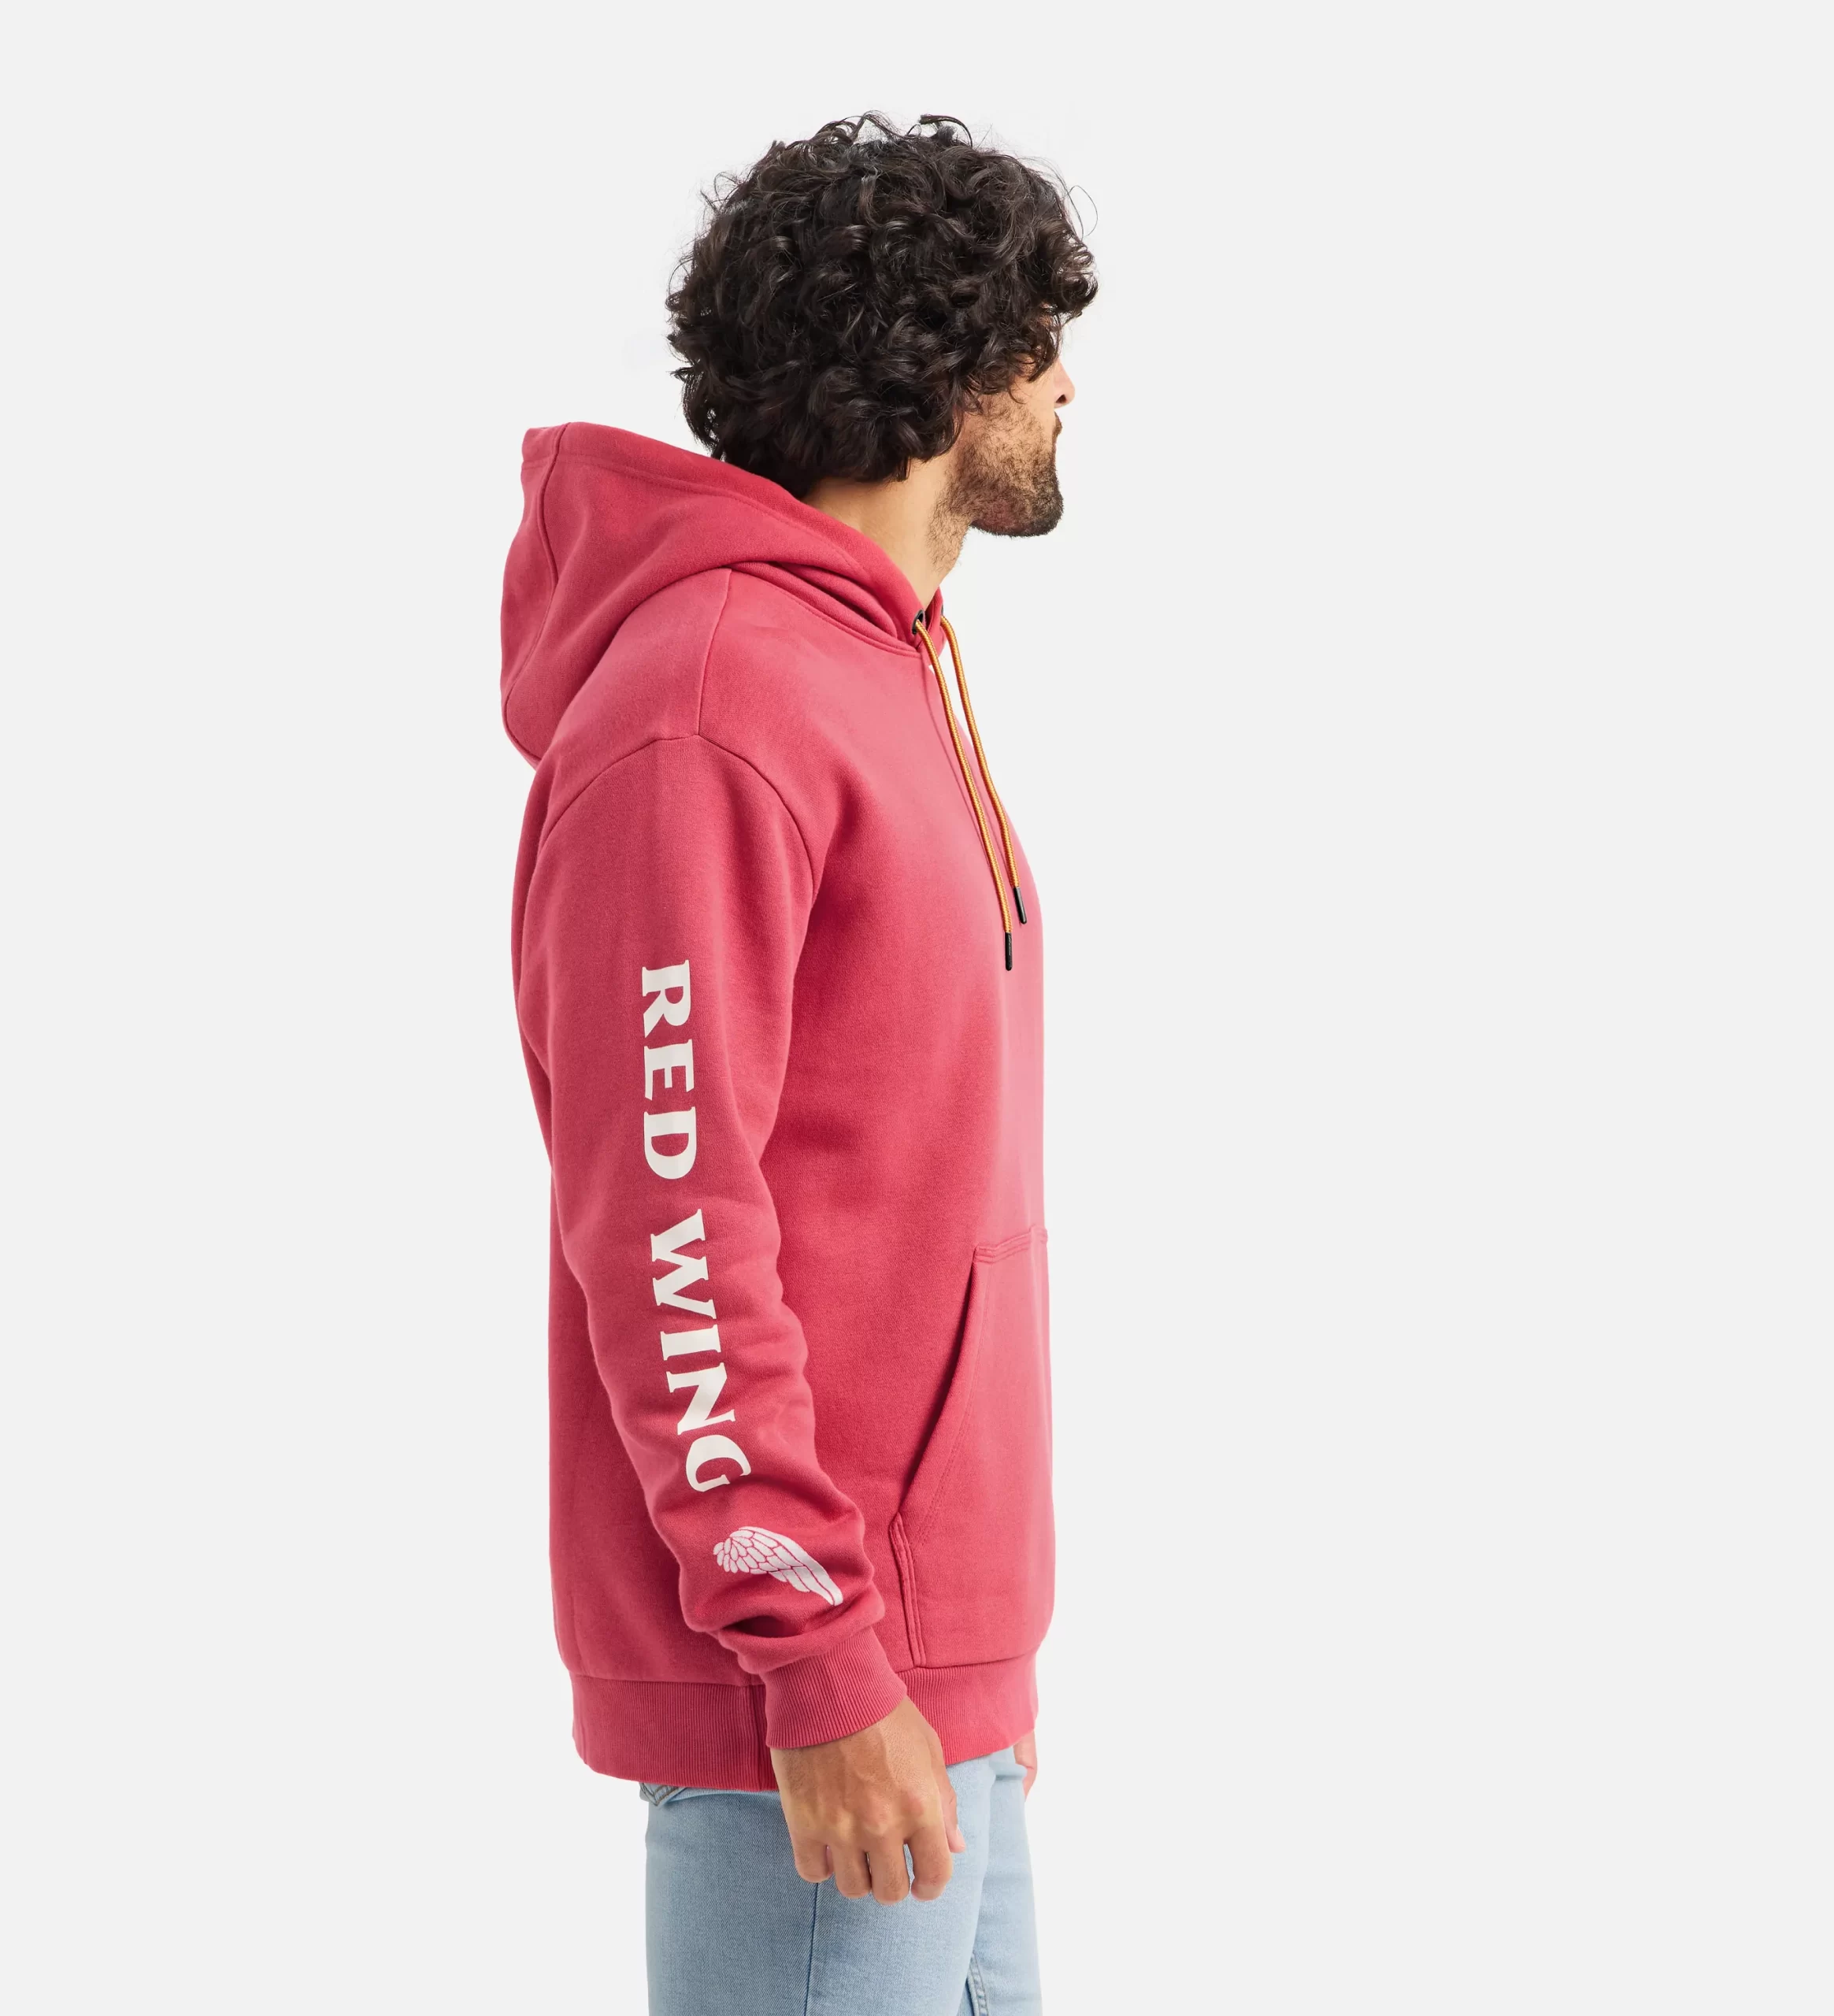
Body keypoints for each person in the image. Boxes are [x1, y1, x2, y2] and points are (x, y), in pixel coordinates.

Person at [499, 113, 1095, 2014]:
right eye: (1034, 340)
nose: (1066, 384)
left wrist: (968, 1649)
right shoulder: (708, 704)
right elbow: (666, 1216)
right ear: (931, 368)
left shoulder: (881, 664)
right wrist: (819, 1649)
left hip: (931, 1665)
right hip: (810, 1689)